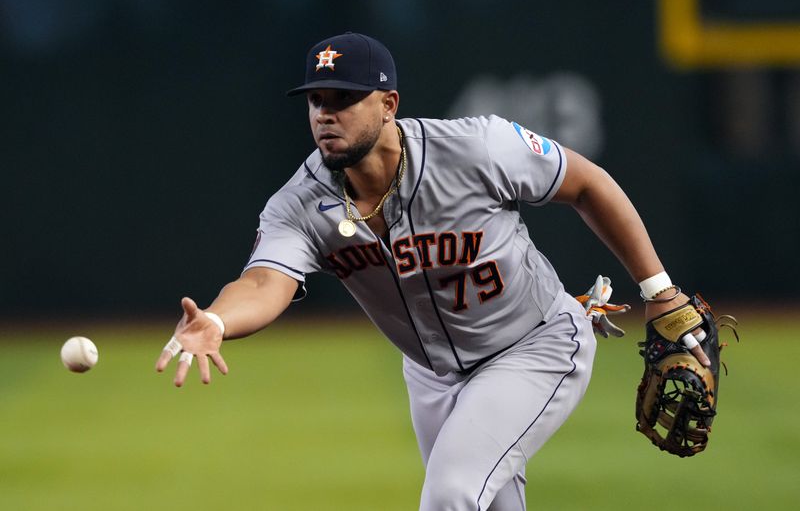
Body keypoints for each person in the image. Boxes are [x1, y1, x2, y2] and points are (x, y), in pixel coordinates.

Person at [155, 32, 709, 511]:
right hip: (431, 374)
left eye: (345, 98)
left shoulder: (474, 148)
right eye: (317, 99)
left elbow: (588, 183)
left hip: (533, 347)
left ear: (389, 103)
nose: (326, 113)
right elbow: (262, 281)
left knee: (451, 493)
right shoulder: (300, 204)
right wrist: (220, 321)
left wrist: (658, 290)